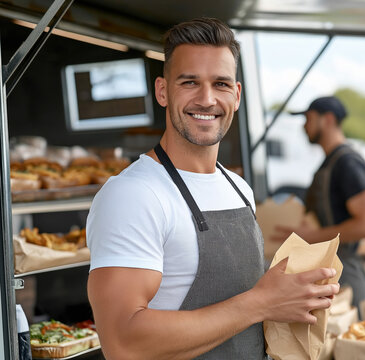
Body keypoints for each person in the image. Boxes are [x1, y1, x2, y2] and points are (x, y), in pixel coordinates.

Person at [86, 18, 339, 360]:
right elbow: (123, 342)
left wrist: (295, 296)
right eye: (190, 82)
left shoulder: (239, 189)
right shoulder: (133, 194)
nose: (206, 99)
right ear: (163, 91)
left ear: (235, 95)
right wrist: (262, 302)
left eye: (220, 84)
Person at [274, 96, 365, 317]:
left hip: (346, 274)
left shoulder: (347, 162)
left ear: (328, 119)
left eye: (308, 119)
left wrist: (312, 236)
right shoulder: (330, 162)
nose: (304, 126)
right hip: (330, 271)